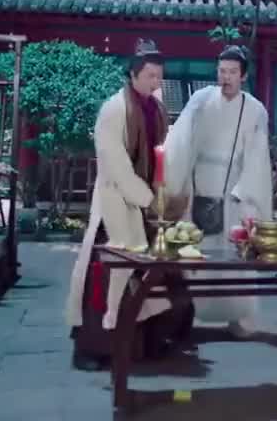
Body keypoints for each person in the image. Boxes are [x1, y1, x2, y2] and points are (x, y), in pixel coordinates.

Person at [65, 39, 191, 371]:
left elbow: (162, 155)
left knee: (153, 272)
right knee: (105, 275)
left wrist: (165, 194)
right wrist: (150, 201)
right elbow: (116, 166)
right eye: (150, 76)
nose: (156, 82)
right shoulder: (113, 109)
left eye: (159, 76)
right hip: (116, 201)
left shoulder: (157, 109)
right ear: (133, 75)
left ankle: (143, 343)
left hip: (147, 200)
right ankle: (92, 349)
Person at [163, 45, 272, 338]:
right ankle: (190, 315)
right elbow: (180, 140)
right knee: (196, 254)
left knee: (235, 255)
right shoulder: (200, 100)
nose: (226, 78)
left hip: (234, 188)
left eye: (232, 72)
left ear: (243, 76)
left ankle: (239, 318)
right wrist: (178, 180)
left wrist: (244, 193)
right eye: (222, 71)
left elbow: (258, 157)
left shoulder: (255, 110)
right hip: (199, 184)